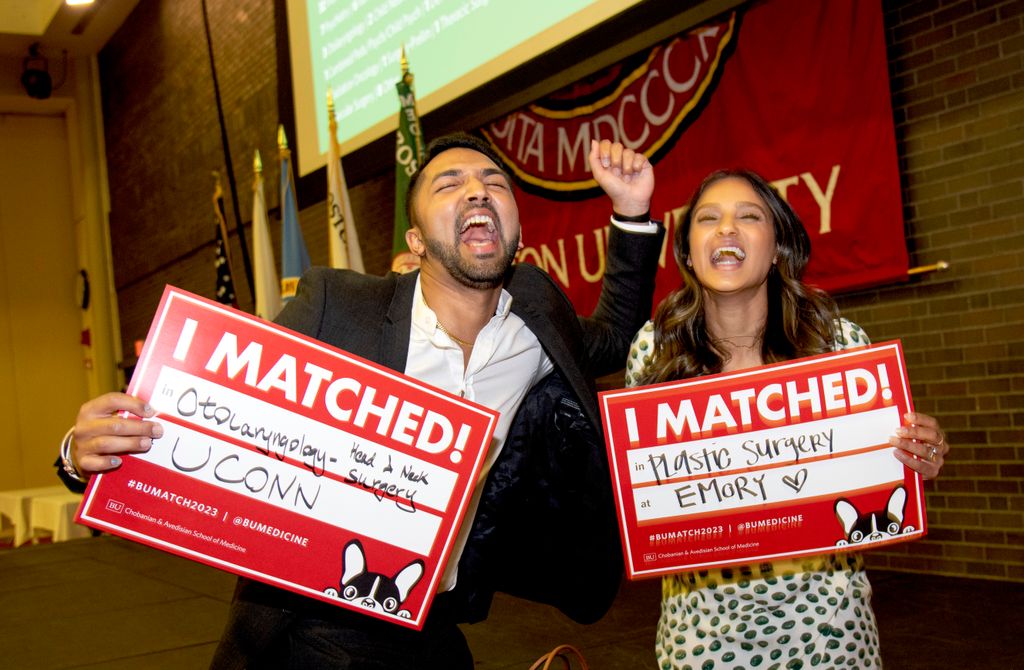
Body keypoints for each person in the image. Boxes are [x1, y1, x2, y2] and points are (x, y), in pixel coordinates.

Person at [57, 133, 665, 668]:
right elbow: (224, 417)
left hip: (439, 629)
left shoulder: (537, 315)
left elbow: (612, 336)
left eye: (494, 184)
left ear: (516, 229)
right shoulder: (338, 304)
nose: (478, 192)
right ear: (416, 240)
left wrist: (633, 211)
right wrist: (80, 454)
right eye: (450, 184)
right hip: (312, 633)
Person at [623, 168, 949, 669]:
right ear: (687, 251)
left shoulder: (838, 345)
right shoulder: (654, 348)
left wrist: (915, 460)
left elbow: (882, 490)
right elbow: (645, 498)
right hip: (701, 639)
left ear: (777, 247)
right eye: (709, 218)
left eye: (749, 217)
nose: (727, 228)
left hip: (829, 633)